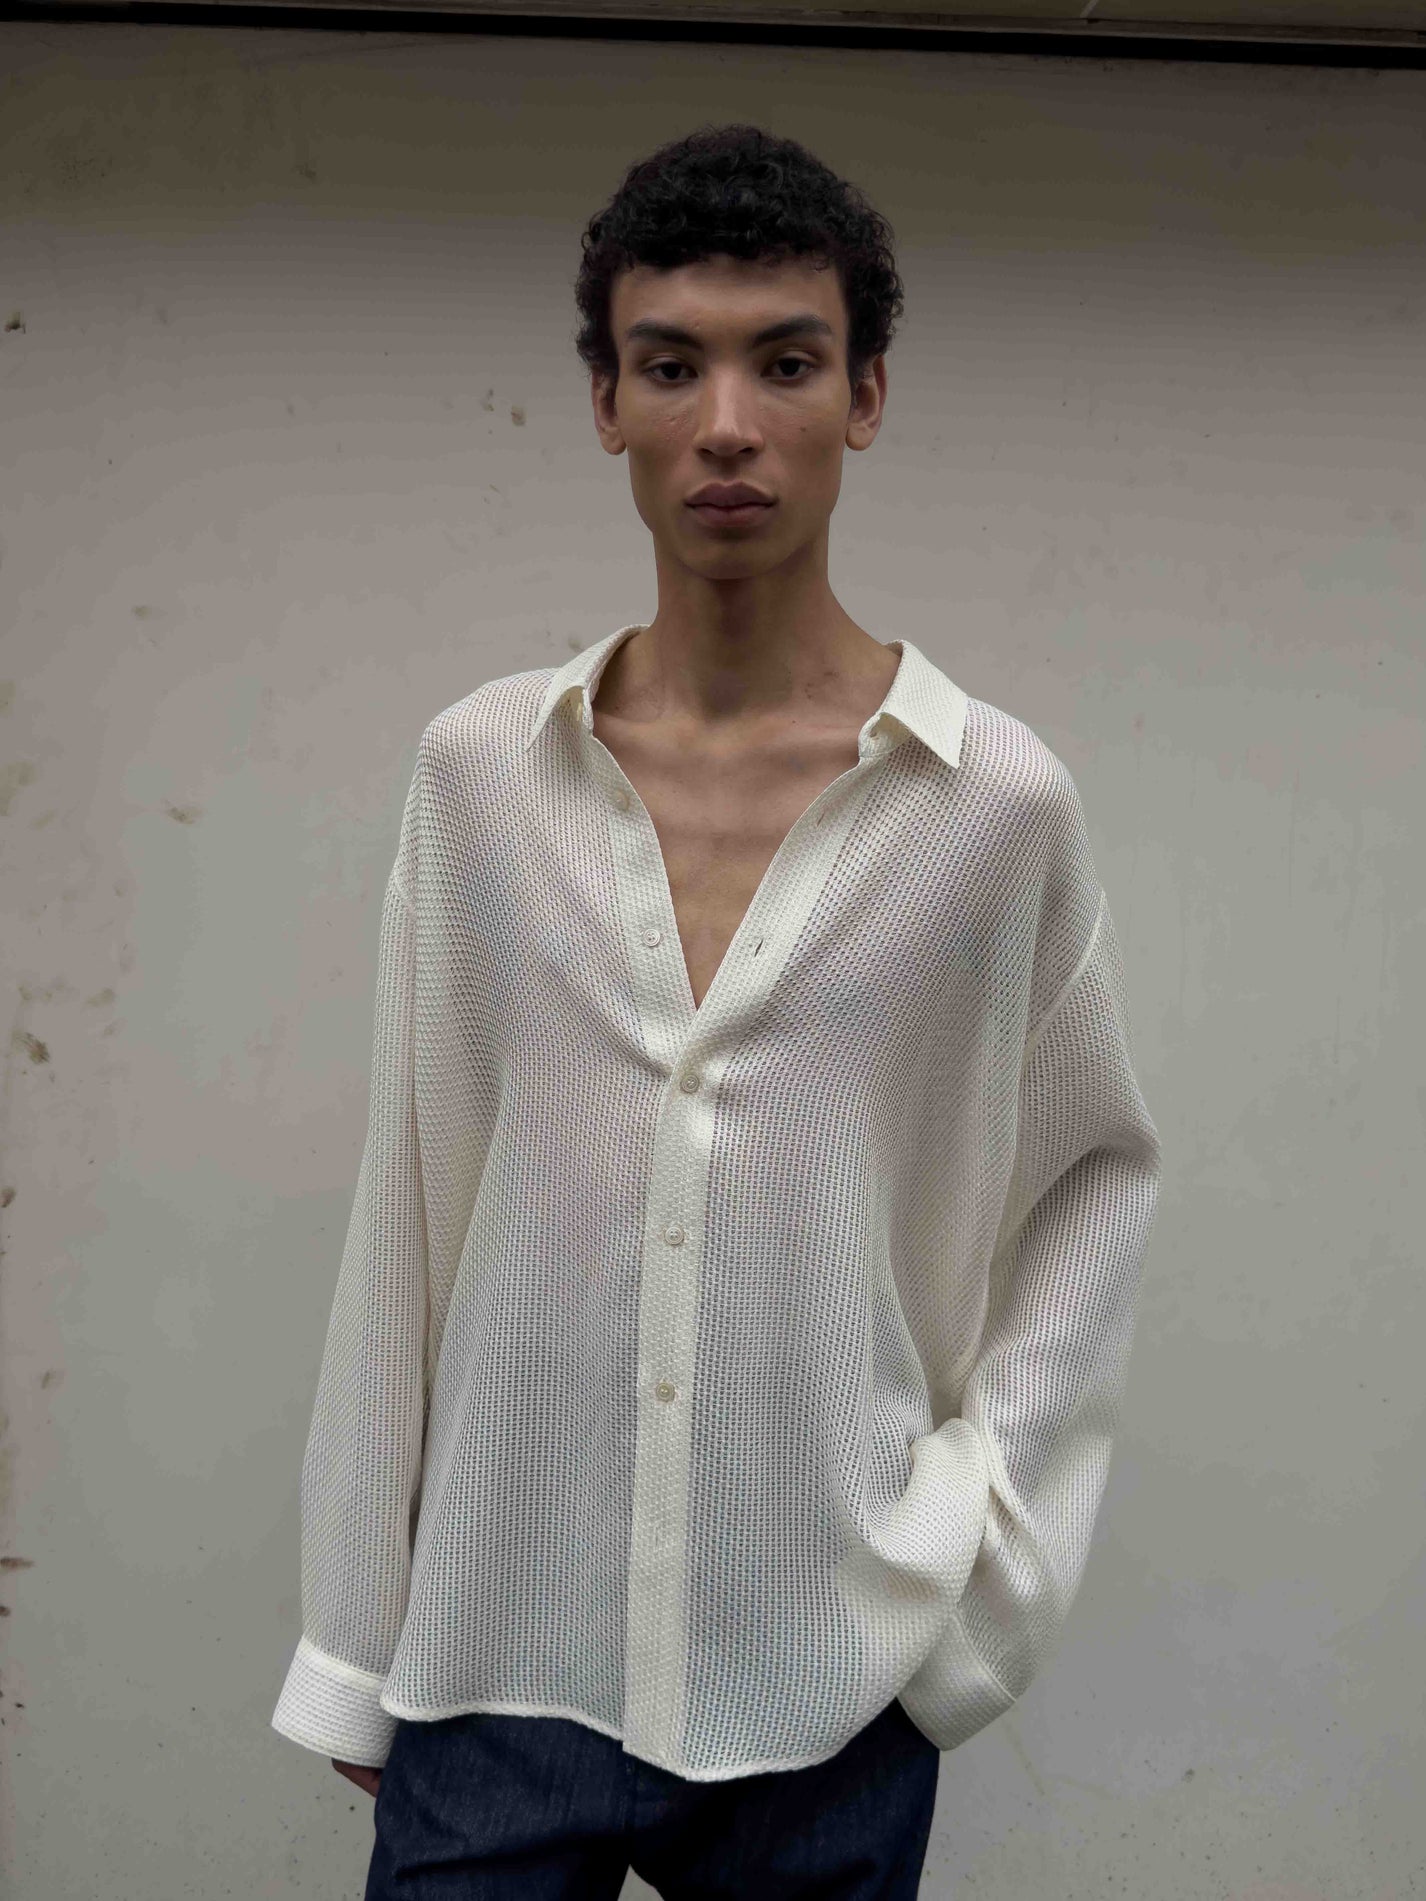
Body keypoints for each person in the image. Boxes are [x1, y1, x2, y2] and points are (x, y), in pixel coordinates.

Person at [271, 122, 1163, 1898]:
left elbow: (1088, 1190)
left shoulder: (992, 806)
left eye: (787, 362)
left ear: (865, 395)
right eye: (671, 365)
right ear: (606, 403)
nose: (729, 423)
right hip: (498, 1661)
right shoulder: (482, 774)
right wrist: (357, 1644)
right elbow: (411, 1211)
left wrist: (972, 1595)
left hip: (822, 1679)